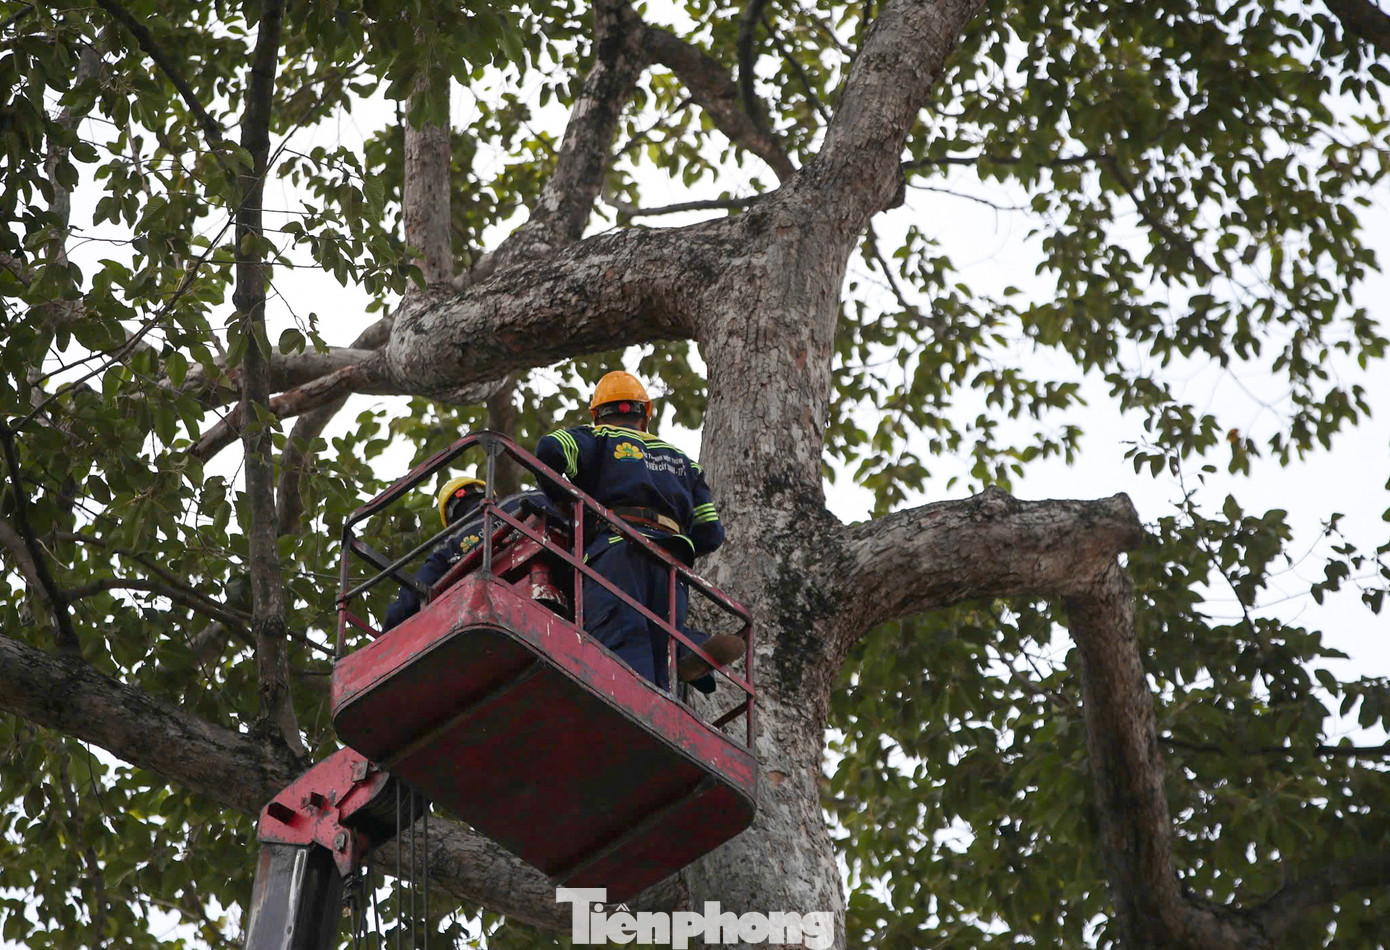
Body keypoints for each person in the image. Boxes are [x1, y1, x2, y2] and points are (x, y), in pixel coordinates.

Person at [536, 370, 743, 692]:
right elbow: (711, 533)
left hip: (617, 547)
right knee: (664, 637)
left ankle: (640, 701)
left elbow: (550, 448)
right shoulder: (685, 463)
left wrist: (571, 507)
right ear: (645, 414)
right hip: (672, 561)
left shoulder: (598, 439)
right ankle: (688, 648)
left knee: (622, 633)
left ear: (597, 415)